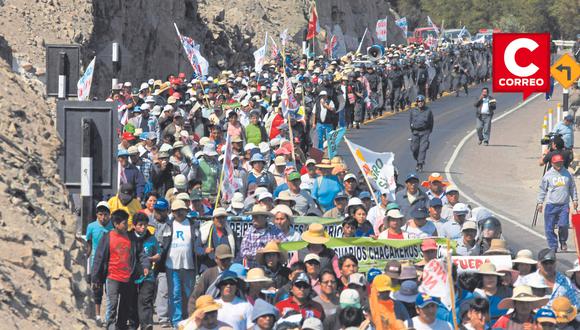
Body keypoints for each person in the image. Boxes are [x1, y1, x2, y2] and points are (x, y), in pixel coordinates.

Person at [92, 210, 150, 330]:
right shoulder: (107, 238)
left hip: (128, 278)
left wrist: (145, 266)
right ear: (116, 224)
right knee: (112, 305)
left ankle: (121, 327)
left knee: (125, 306)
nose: (126, 226)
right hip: (112, 277)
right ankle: (111, 327)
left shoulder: (132, 238)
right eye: (124, 223)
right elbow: (98, 258)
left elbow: (141, 254)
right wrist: (96, 278)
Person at [161, 199, 199, 327]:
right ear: (172, 212)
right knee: (175, 294)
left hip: (189, 265)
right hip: (172, 265)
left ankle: (188, 317)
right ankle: (176, 321)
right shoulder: (169, 224)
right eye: (176, 211)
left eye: (181, 210)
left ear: (186, 210)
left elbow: (197, 242)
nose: (179, 213)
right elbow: (164, 244)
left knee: (189, 293)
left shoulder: (193, 224)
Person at [537, 153, 578, 252]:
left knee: (563, 225)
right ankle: (553, 246)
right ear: (552, 163)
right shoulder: (548, 175)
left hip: (564, 205)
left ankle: (563, 241)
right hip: (551, 205)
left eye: (560, 162)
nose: (559, 165)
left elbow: (572, 187)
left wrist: (575, 199)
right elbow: (542, 189)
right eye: (557, 163)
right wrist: (540, 202)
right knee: (549, 228)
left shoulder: (567, 174)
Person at [129, 212, 160, 330]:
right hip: (131, 275)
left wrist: (154, 258)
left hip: (148, 276)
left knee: (145, 301)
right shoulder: (129, 237)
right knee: (132, 302)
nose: (143, 227)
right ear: (134, 225)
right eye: (140, 225)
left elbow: (158, 253)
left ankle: (146, 325)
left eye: (145, 225)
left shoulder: (151, 238)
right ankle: (132, 325)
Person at [86, 201, 113, 326]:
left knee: (110, 290)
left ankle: (109, 316)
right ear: (97, 214)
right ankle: (97, 315)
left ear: (110, 215)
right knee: (97, 289)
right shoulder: (91, 227)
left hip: (110, 263)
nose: (103, 217)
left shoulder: (113, 227)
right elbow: (89, 244)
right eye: (100, 214)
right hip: (96, 263)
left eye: (106, 214)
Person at [409, 94, 434, 172]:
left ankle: (420, 164)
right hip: (415, 132)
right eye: (418, 101)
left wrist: (429, 131)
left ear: (424, 102)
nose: (420, 103)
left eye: (421, 101)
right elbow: (410, 121)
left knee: (423, 149)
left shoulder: (428, 111)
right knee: (414, 149)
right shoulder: (413, 111)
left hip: (425, 132)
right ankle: (418, 160)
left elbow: (431, 122)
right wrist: (413, 130)